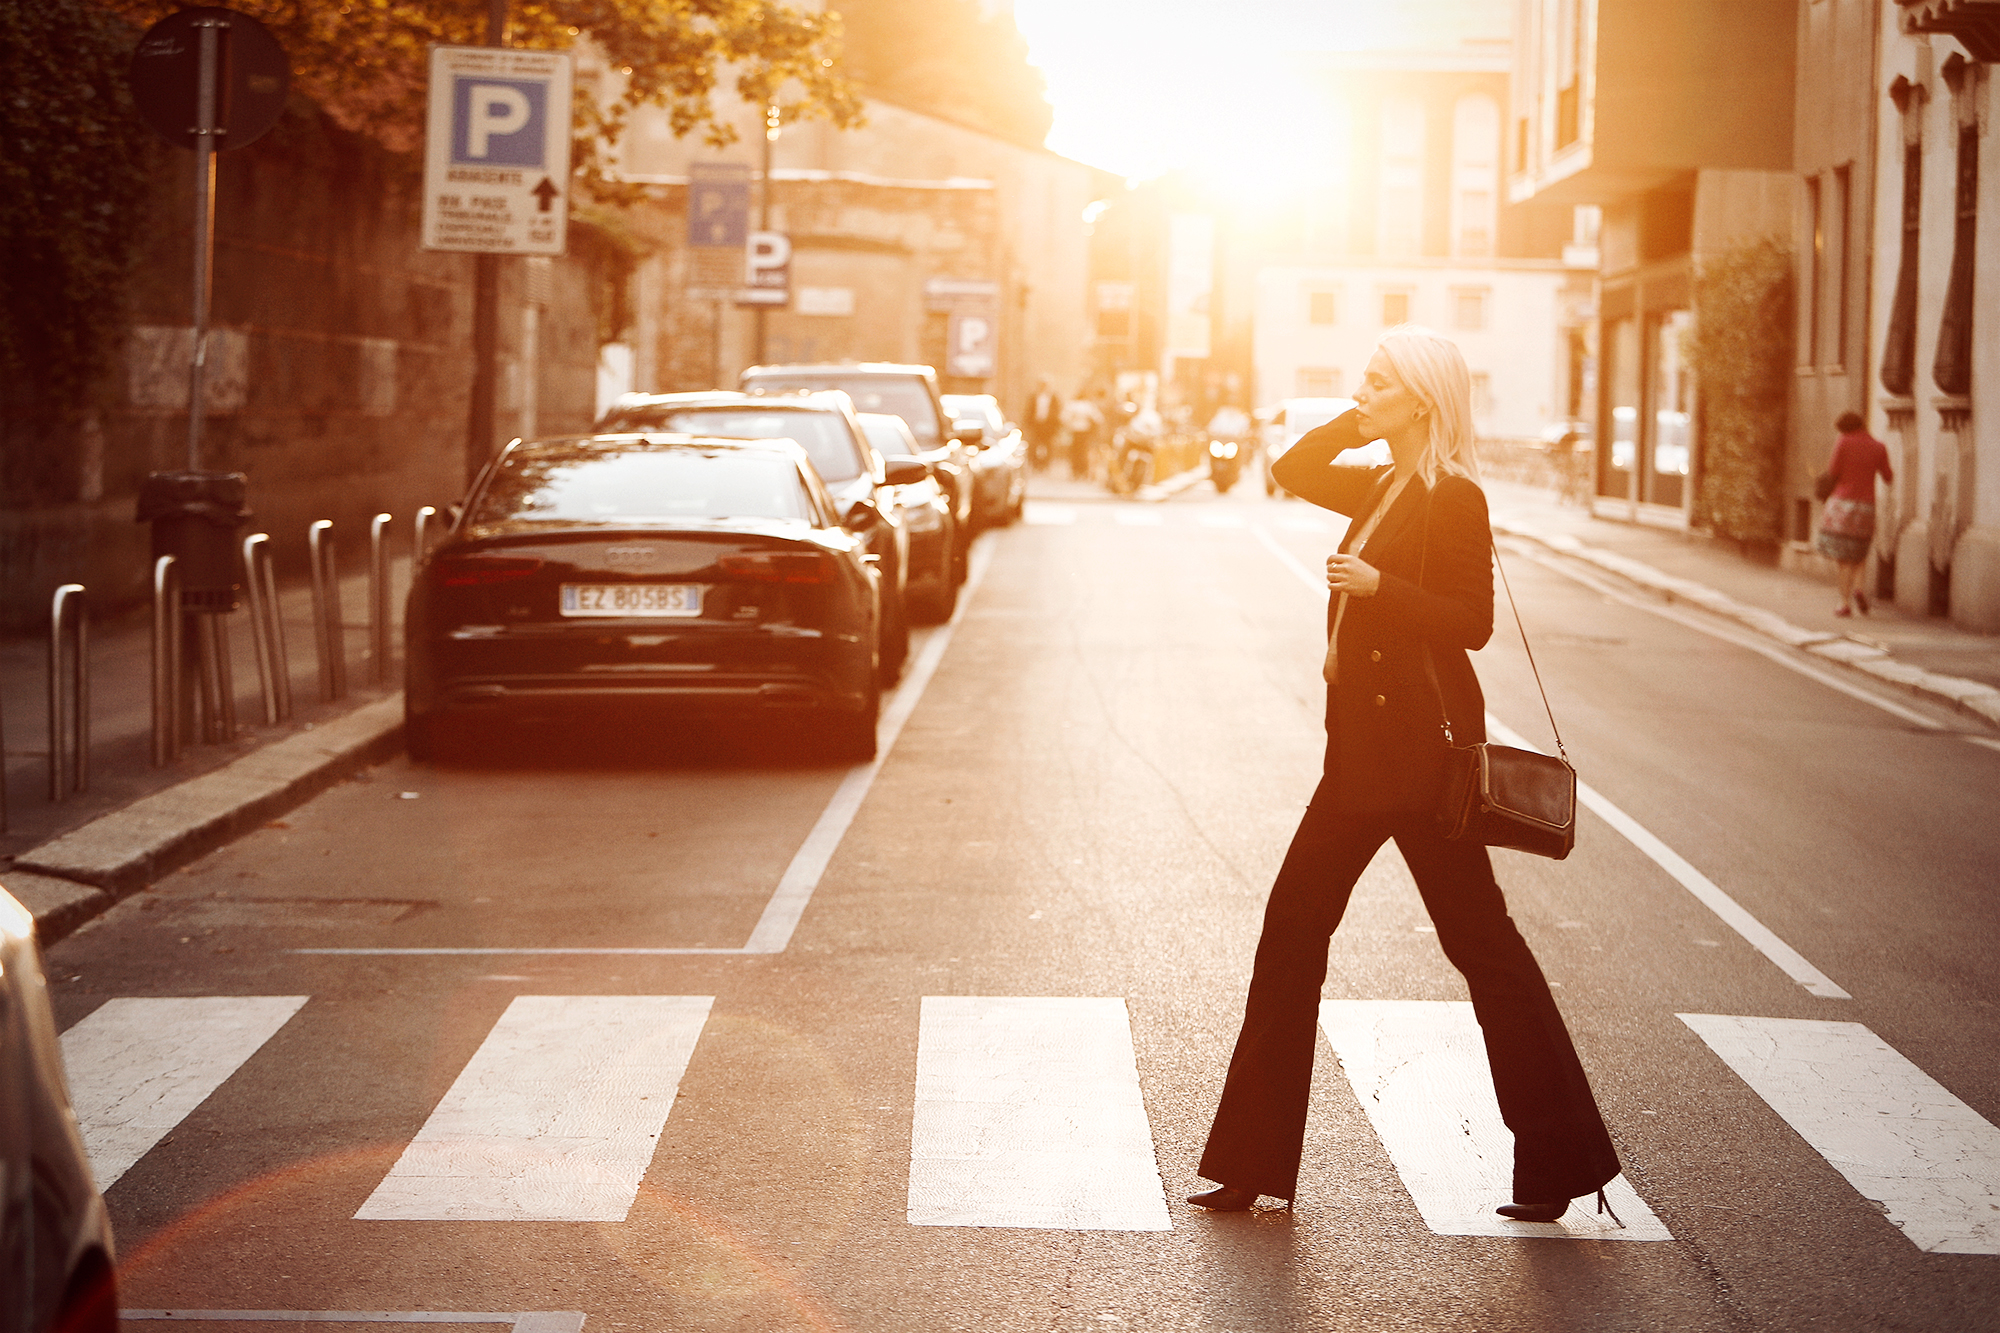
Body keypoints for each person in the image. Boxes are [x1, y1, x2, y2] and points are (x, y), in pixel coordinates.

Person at [1188, 326, 1621, 1223]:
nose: (1361, 389)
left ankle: (1557, 1161)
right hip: (1358, 757)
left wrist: (1381, 586)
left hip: (1424, 764)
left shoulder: (1453, 497)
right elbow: (1295, 468)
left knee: (1484, 951)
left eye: (1379, 381)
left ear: (1423, 398)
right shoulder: (1379, 479)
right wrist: (1359, 416)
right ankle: (1250, 1161)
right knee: (1294, 931)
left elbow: (1471, 621)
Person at [1816, 411, 1894, 617]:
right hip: (1867, 506)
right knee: (1860, 551)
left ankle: (1844, 603)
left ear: (1845, 428)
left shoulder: (1844, 442)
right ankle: (1859, 588)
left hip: (1842, 504)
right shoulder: (1879, 447)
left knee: (1843, 557)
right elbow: (1888, 476)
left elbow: (1833, 471)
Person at [1061, 391, 1104, 480]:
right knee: (1083, 452)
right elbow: (1099, 418)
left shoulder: (1072, 405)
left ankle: (1075, 471)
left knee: (1074, 452)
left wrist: (1070, 424)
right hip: (1085, 431)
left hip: (1075, 431)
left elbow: (1063, 418)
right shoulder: (1088, 405)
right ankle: (1083, 471)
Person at [1024, 378, 1063, 472]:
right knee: (1034, 444)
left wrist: (1056, 424)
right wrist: (1027, 422)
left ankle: (1046, 464)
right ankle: (1035, 464)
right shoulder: (1033, 396)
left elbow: (1057, 411)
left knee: (1048, 445)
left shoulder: (1054, 397)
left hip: (1049, 425)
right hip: (1036, 424)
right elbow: (1029, 410)